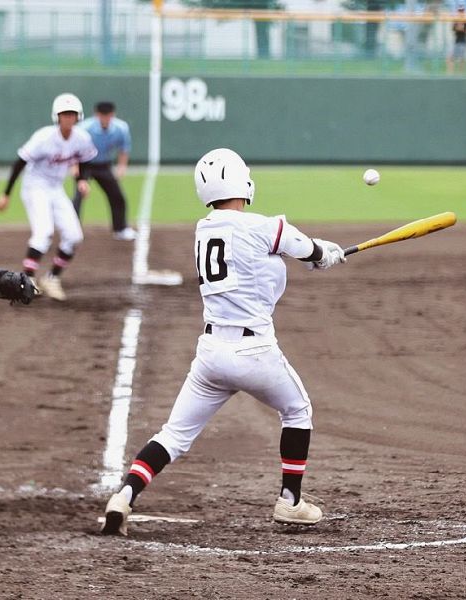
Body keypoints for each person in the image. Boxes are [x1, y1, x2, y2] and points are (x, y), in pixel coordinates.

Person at [100, 148, 346, 536]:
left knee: (173, 435)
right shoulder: (262, 227)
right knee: (298, 410)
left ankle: (125, 496)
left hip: (211, 355)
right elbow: (304, 247)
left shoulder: (205, 229)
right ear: (241, 181)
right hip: (255, 353)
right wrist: (324, 254)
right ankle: (290, 501)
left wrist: (314, 255)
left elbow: (285, 251)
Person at [0, 93, 98, 301]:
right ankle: (25, 282)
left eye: (72, 114)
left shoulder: (82, 138)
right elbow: (20, 162)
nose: (68, 118)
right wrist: (6, 194)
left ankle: (52, 278)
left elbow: (86, 159)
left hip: (56, 188)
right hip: (35, 187)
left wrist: (82, 180)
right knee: (43, 233)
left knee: (74, 235)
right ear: (57, 116)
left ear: (78, 116)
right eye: (64, 114)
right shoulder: (44, 137)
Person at [72, 101, 137, 241]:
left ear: (113, 115)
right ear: (97, 115)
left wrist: (121, 167)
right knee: (78, 197)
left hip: (103, 165)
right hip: (85, 164)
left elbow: (124, 149)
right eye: (102, 115)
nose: (105, 119)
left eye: (108, 115)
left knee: (117, 196)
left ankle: (120, 229)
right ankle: (72, 231)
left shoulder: (121, 128)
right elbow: (75, 150)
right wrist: (76, 170)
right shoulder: (85, 128)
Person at [447, 6, 466, 74]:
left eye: (462, 11)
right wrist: (460, 27)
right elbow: (454, 29)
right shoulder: (456, 21)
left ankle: (461, 74)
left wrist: (462, 28)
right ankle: (450, 74)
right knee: (450, 58)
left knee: (462, 59)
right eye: (459, 11)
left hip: (463, 42)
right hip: (457, 42)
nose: (461, 12)